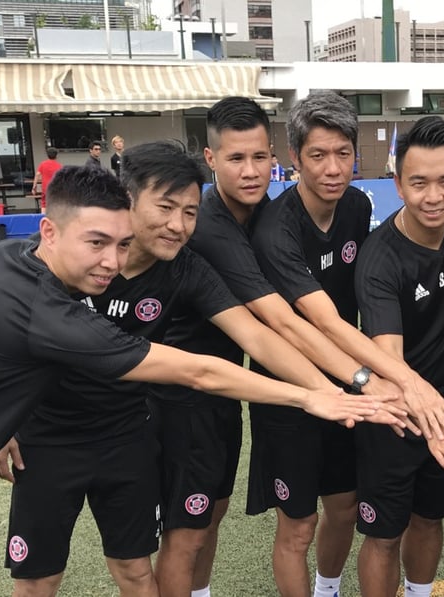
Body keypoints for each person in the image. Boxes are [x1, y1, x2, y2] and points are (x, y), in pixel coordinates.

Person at [0, 165, 384, 597]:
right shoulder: (53, 314)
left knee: (132, 568)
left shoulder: (9, 257)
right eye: (95, 243)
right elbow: (198, 371)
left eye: (119, 245)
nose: (111, 262)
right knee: (27, 580)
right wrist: (311, 397)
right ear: (49, 232)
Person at [151, 96, 405, 597]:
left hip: (238, 386)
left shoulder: (307, 209)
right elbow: (278, 324)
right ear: (210, 158)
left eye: (258, 158)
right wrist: (356, 384)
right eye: (235, 159)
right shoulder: (216, 225)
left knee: (220, 513)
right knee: (190, 529)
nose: (251, 172)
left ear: (273, 156)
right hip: (187, 394)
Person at [251, 91, 444, 597]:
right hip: (294, 392)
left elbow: (372, 290)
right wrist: (398, 381)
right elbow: (321, 321)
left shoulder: (358, 205)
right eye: (318, 155)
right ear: (294, 157)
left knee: (344, 507)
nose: (332, 167)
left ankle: (327, 589)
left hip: (352, 385)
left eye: (343, 153)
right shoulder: (275, 229)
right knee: (298, 526)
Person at [354, 116, 444, 597]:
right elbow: (390, 364)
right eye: (418, 183)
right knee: (383, 535)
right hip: (394, 420)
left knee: (430, 519)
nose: (433, 196)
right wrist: (431, 423)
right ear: (396, 185)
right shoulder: (380, 260)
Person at [32, 147, 63, 212]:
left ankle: (43, 217)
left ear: (47, 155)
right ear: (56, 155)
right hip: (55, 188)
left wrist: (34, 187)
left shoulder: (43, 164)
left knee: (44, 204)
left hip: (45, 188)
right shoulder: (59, 166)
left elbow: (37, 174)